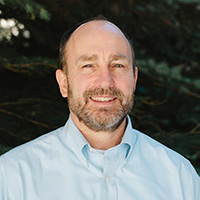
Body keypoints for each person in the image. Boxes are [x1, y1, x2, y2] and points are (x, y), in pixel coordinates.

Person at [0, 16, 199, 200]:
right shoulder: (12, 176)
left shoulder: (180, 177)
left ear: (134, 78)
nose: (105, 81)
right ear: (63, 84)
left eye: (118, 65)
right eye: (88, 66)